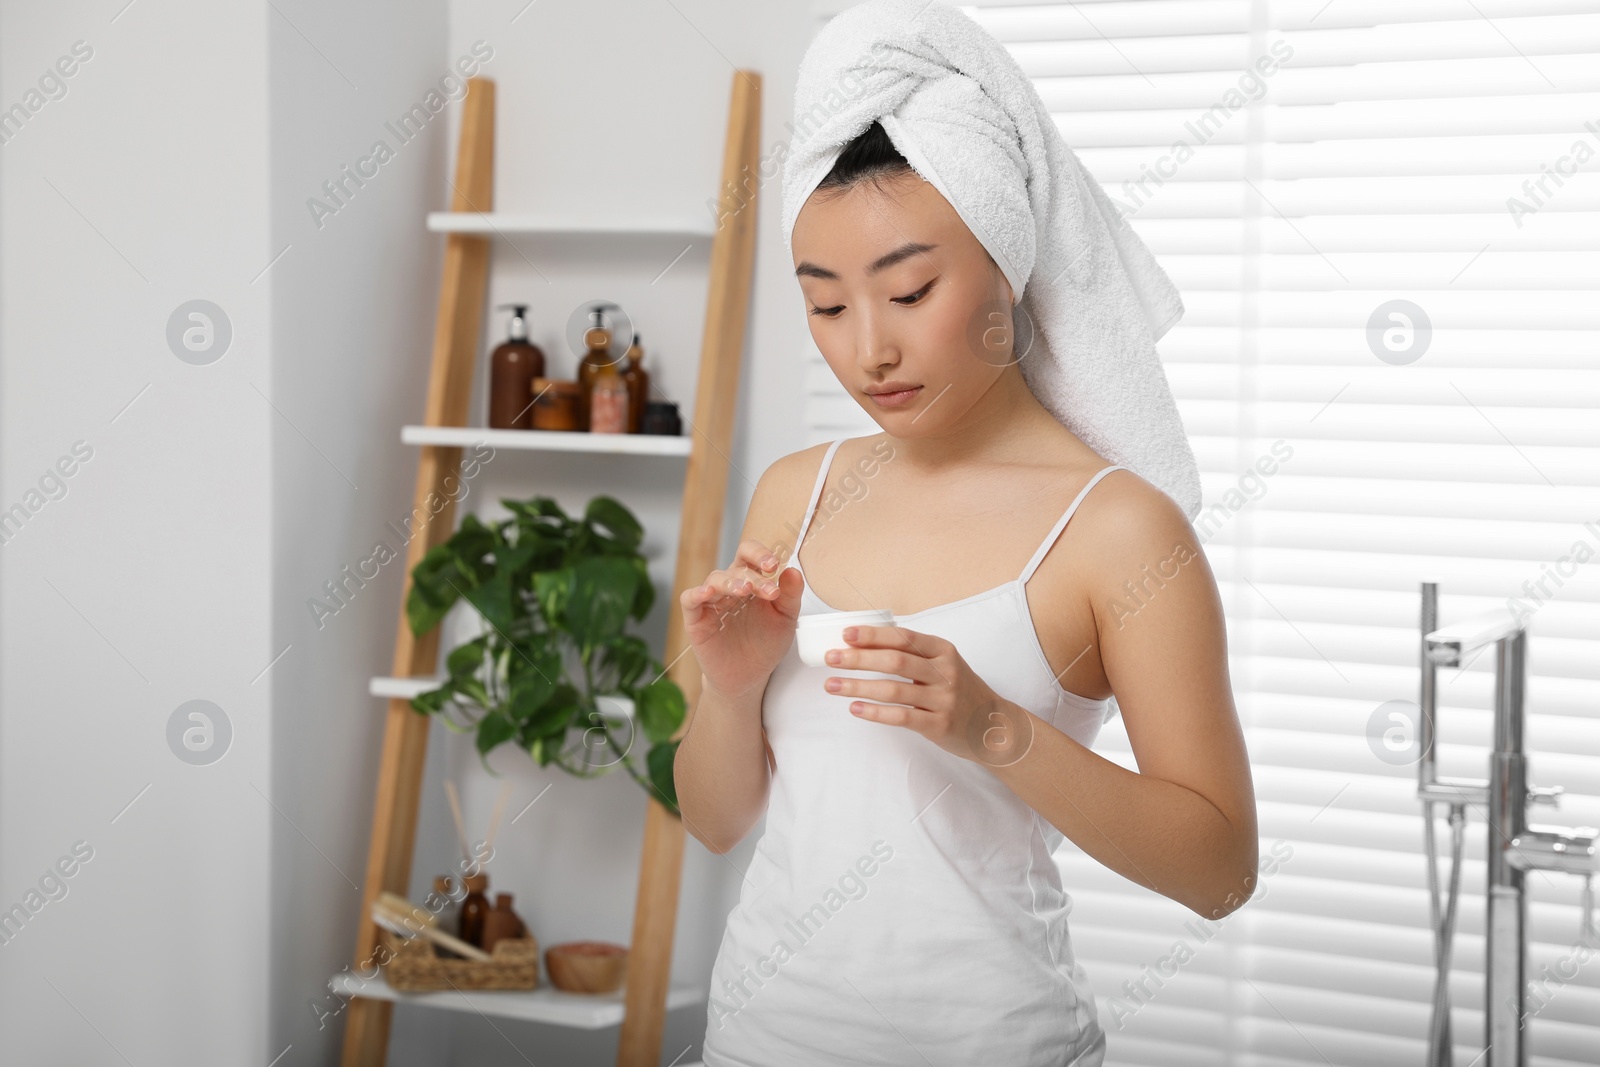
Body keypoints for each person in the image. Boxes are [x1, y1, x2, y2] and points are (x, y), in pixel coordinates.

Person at [674, 116, 1256, 1067]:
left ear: (1006, 268)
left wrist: (994, 727)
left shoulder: (1118, 531)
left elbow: (1220, 872)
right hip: (757, 1041)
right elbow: (715, 820)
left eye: (910, 291)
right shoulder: (797, 490)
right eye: (826, 307)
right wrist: (733, 687)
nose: (870, 351)